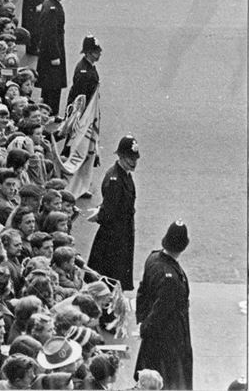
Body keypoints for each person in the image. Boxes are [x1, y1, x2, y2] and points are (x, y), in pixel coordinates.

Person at [134, 221, 193, 389]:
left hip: (154, 331)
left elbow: (142, 292)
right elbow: (161, 311)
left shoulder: (152, 258)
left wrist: (142, 321)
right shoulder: (171, 279)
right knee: (172, 379)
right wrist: (145, 327)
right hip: (170, 336)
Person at [87, 135, 139, 290]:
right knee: (110, 274)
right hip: (114, 237)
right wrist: (100, 214)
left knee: (114, 274)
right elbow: (109, 212)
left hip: (120, 232)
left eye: (135, 158)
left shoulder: (123, 174)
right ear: (121, 157)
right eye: (130, 158)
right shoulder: (116, 179)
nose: (134, 162)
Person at [36, 0, 69, 113]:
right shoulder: (52, 9)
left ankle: (48, 110)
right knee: (53, 86)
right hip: (52, 53)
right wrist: (55, 55)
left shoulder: (49, 4)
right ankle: (51, 112)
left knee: (49, 85)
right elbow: (50, 34)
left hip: (49, 51)